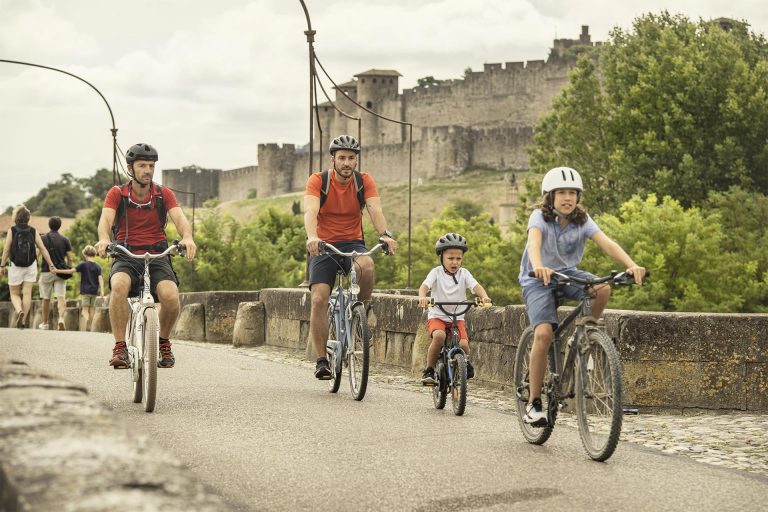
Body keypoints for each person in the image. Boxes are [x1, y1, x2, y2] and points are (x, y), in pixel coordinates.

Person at [519, 167, 645, 426]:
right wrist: (539, 264)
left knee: (602, 288)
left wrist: (631, 265)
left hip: (568, 274)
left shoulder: (582, 219)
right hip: (537, 277)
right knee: (543, 334)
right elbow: (533, 243)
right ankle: (534, 403)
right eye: (562, 193)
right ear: (550, 196)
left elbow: (606, 243)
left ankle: (584, 335)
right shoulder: (539, 217)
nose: (568, 198)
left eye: (572, 193)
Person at [95, 143, 197, 369]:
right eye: (142, 165)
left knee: (171, 297)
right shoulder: (117, 194)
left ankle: (163, 343)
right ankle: (120, 347)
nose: (148, 170)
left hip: (158, 253)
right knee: (119, 286)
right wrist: (104, 239)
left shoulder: (163, 194)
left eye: (151, 166)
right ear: (130, 168)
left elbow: (180, 220)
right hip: (125, 252)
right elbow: (105, 221)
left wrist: (187, 237)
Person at [304, 134, 397, 380]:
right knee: (319, 298)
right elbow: (311, 210)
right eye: (342, 158)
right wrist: (312, 237)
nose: (347, 163)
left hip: (353, 242)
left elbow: (374, 209)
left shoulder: (363, 181)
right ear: (333, 159)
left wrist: (385, 235)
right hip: (323, 244)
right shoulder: (318, 180)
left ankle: (360, 314)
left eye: (351, 158)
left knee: (367, 267)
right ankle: (322, 360)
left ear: (357, 161)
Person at [417, 233, 492, 385]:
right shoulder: (436, 272)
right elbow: (424, 286)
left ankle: (464, 362)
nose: (455, 262)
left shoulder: (464, 274)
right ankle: (429, 370)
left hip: (457, 317)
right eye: (450, 258)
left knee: (464, 345)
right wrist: (422, 297)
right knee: (439, 337)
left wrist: (484, 297)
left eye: (458, 258)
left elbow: (476, 286)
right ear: (441, 257)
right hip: (437, 316)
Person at [0, 205, 56, 328]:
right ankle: (23, 320)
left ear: (16, 217)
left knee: (14, 293)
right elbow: (42, 248)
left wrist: (2, 266)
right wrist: (51, 264)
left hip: (15, 265)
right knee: (27, 293)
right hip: (31, 265)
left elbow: (6, 250)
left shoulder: (12, 230)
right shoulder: (33, 231)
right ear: (28, 218)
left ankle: (19, 310)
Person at [51, 245, 104, 331]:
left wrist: (57, 271)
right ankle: (90, 323)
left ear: (85, 255)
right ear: (94, 255)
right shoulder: (98, 266)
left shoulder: (83, 265)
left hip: (85, 291)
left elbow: (70, 271)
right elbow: (100, 279)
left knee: (85, 309)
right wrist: (102, 291)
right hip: (94, 291)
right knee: (92, 308)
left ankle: (86, 321)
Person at [39, 216, 74, 330]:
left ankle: (45, 323)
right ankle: (61, 319)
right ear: (60, 226)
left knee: (46, 298)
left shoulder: (42, 238)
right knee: (60, 296)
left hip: (46, 270)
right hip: (60, 272)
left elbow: (36, 254)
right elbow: (70, 258)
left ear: (49, 225)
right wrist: (68, 268)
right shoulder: (65, 240)